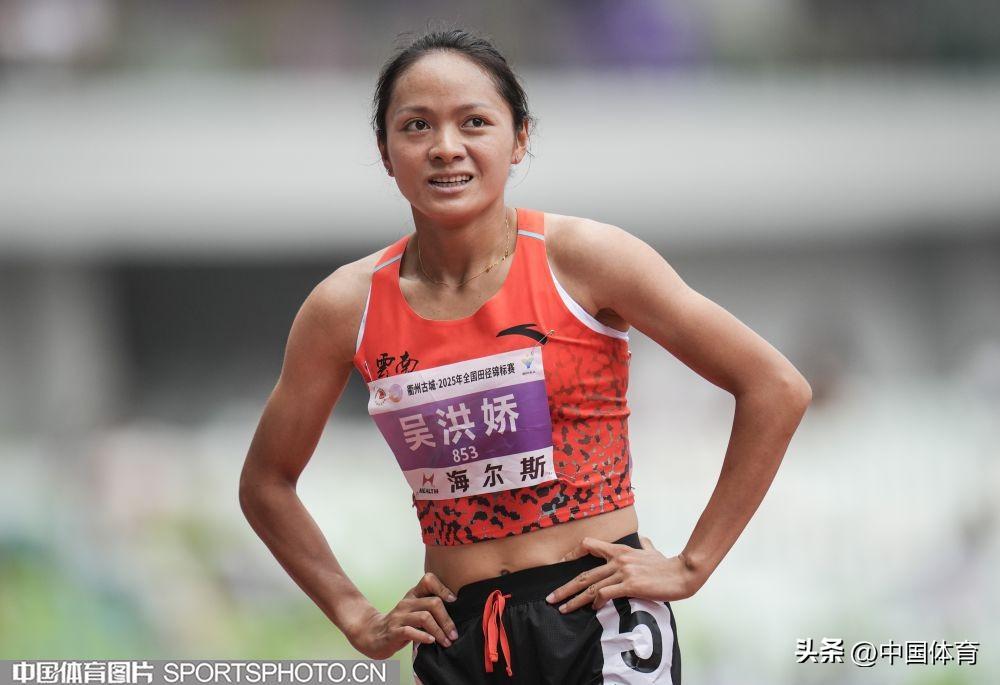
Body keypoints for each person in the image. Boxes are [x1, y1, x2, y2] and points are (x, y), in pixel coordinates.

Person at [239, 27, 812, 685]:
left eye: (474, 122)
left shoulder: (585, 258)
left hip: (600, 621)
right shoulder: (346, 306)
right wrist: (356, 616)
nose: (445, 147)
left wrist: (692, 564)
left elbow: (776, 387)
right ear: (385, 151)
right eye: (417, 125)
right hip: (457, 636)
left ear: (519, 139)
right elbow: (266, 482)